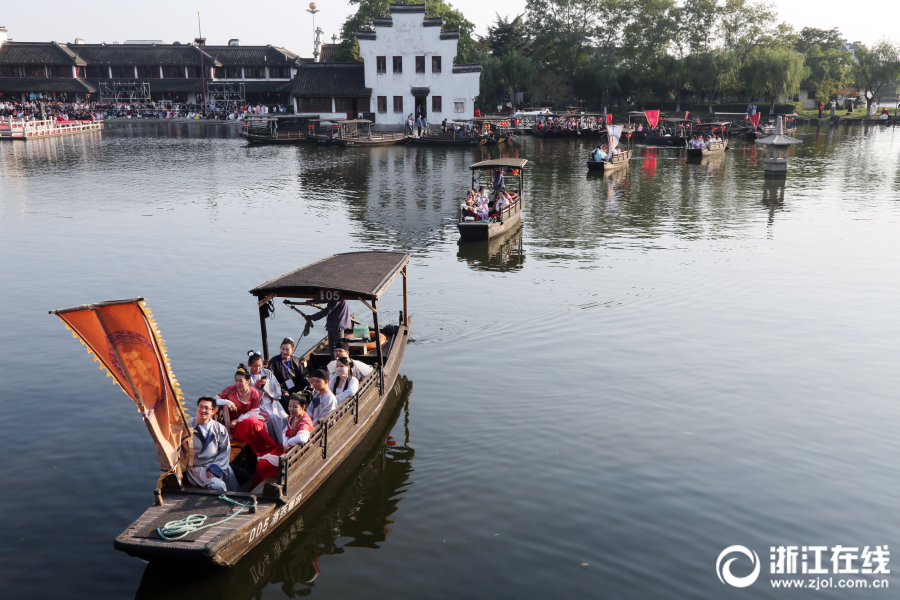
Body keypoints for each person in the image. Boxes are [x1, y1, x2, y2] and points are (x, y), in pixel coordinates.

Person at [250, 393, 314, 490]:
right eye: (290, 406)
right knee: (261, 461)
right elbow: (285, 430)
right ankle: (261, 485)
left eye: (295, 407)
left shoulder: (304, 421)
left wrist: (288, 443)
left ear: (303, 407)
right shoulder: (292, 417)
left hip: (296, 453)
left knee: (262, 465)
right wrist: (285, 441)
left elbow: (303, 438)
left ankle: (266, 488)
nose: (291, 409)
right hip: (286, 448)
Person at [216, 364, 278, 457]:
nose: (238, 383)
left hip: (248, 420)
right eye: (236, 380)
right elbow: (214, 399)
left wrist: (238, 420)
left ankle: (267, 452)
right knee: (252, 425)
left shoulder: (254, 392)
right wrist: (227, 402)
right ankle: (268, 451)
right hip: (234, 426)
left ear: (248, 381)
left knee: (256, 426)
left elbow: (255, 412)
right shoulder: (231, 390)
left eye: (241, 381)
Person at [185, 396, 241, 492]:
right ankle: (221, 506)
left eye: (207, 408)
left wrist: (215, 467)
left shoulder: (219, 428)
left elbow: (225, 451)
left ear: (212, 411)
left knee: (230, 475)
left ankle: (237, 500)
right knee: (218, 485)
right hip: (197, 467)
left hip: (216, 462)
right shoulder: (186, 425)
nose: (202, 410)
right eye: (200, 407)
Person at [247, 350, 289, 444]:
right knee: (270, 418)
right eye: (255, 366)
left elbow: (277, 387)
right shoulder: (248, 376)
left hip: (271, 399)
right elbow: (247, 393)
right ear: (250, 365)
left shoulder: (267, 372)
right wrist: (255, 386)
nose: (258, 368)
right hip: (259, 403)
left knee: (283, 415)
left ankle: (286, 439)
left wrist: (267, 384)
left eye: (259, 365)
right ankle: (275, 442)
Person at [267, 337, 311, 409]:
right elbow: (271, 379)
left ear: (292, 350)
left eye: (287, 350)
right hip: (280, 387)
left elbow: (303, 375)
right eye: (283, 349)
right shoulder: (274, 361)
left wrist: (309, 385)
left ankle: (307, 412)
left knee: (309, 393)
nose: (284, 352)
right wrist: (282, 391)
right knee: (287, 399)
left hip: (295, 387)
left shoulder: (296, 361)